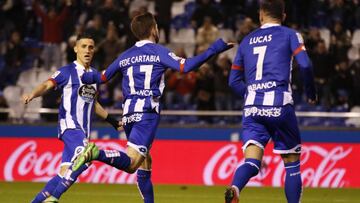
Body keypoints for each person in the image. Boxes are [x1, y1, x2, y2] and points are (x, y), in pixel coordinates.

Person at [72, 12, 233, 203]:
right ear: (153, 29)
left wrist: (85, 77)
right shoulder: (158, 51)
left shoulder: (125, 55)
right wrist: (214, 49)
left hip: (129, 114)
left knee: (146, 162)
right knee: (132, 163)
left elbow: (103, 77)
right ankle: (96, 152)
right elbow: (186, 67)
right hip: (146, 113)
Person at [224, 1, 316, 203]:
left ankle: (235, 187)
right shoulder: (290, 34)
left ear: (260, 15)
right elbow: (306, 65)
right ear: (283, 16)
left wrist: (251, 95)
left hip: (252, 109)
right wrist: (311, 92)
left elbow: (233, 81)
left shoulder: (247, 40)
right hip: (279, 106)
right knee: (291, 162)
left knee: (252, 161)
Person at [22, 33, 122, 203]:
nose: (87, 50)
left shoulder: (95, 76)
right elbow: (47, 84)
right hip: (70, 126)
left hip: (83, 131)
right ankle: (54, 199)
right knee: (86, 156)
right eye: (83, 46)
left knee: (64, 173)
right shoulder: (66, 71)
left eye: (91, 47)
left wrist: (113, 121)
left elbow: (94, 103)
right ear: (75, 49)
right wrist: (32, 93)